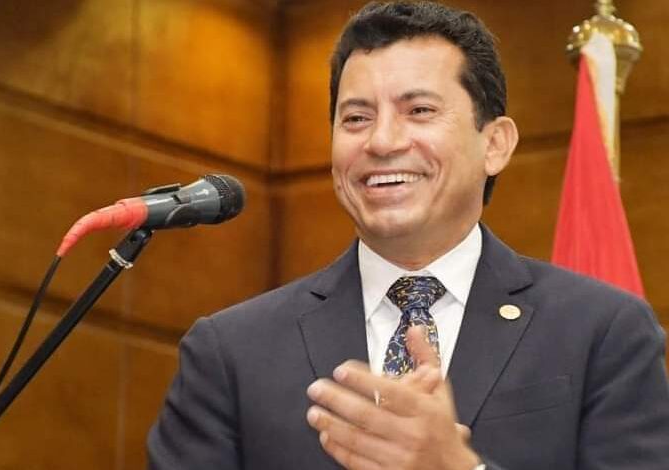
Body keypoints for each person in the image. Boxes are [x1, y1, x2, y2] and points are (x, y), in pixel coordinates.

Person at [147, 2, 669, 469]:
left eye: (419, 111)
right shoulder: (232, 352)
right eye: (356, 118)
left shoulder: (602, 332)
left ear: (495, 144)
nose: (382, 141)